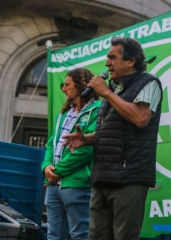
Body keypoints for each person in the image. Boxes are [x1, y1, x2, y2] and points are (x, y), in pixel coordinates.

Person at [62, 36, 163, 240]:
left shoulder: (149, 83)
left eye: (112, 58)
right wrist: (87, 139)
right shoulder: (114, 91)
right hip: (102, 178)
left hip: (129, 178)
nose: (107, 63)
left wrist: (106, 93)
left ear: (130, 61)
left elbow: (141, 118)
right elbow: (114, 131)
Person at [41, 67, 100, 240]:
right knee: (53, 235)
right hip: (53, 185)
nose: (64, 89)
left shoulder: (96, 111)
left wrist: (57, 172)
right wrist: (46, 167)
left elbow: (86, 150)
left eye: (67, 85)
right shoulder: (64, 113)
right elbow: (51, 143)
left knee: (79, 234)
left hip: (77, 185)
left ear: (82, 87)